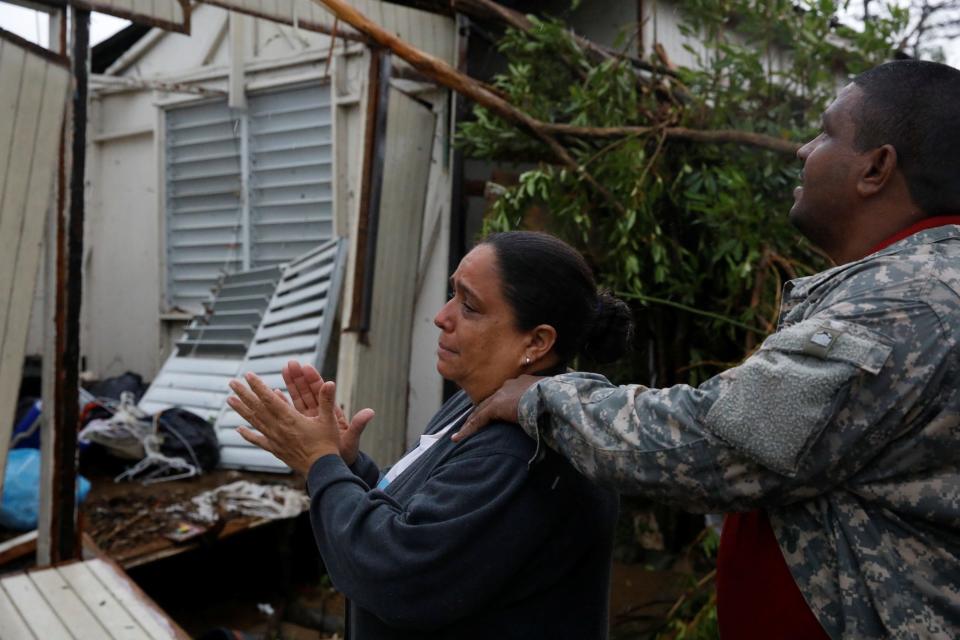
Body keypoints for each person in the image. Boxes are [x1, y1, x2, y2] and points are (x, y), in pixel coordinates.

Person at [454, 60, 960, 639]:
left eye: (825, 133)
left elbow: (711, 446)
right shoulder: (921, 287)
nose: (803, 150)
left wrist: (544, 398)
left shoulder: (907, 305)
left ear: (876, 167)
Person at [227, 231, 633, 639]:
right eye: (452, 293)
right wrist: (349, 465)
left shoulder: (520, 452)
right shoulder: (481, 402)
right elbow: (424, 520)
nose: (442, 316)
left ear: (537, 341)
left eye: (469, 306)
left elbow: (393, 574)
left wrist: (321, 464)